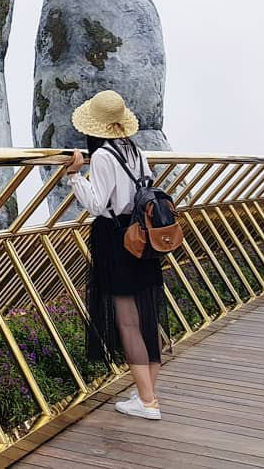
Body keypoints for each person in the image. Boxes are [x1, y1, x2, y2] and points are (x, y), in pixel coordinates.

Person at [64, 89, 167, 420]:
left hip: (116, 239)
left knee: (127, 320)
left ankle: (148, 400)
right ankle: (147, 394)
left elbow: (96, 204)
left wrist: (74, 176)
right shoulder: (135, 151)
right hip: (142, 236)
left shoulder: (104, 156)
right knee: (145, 313)